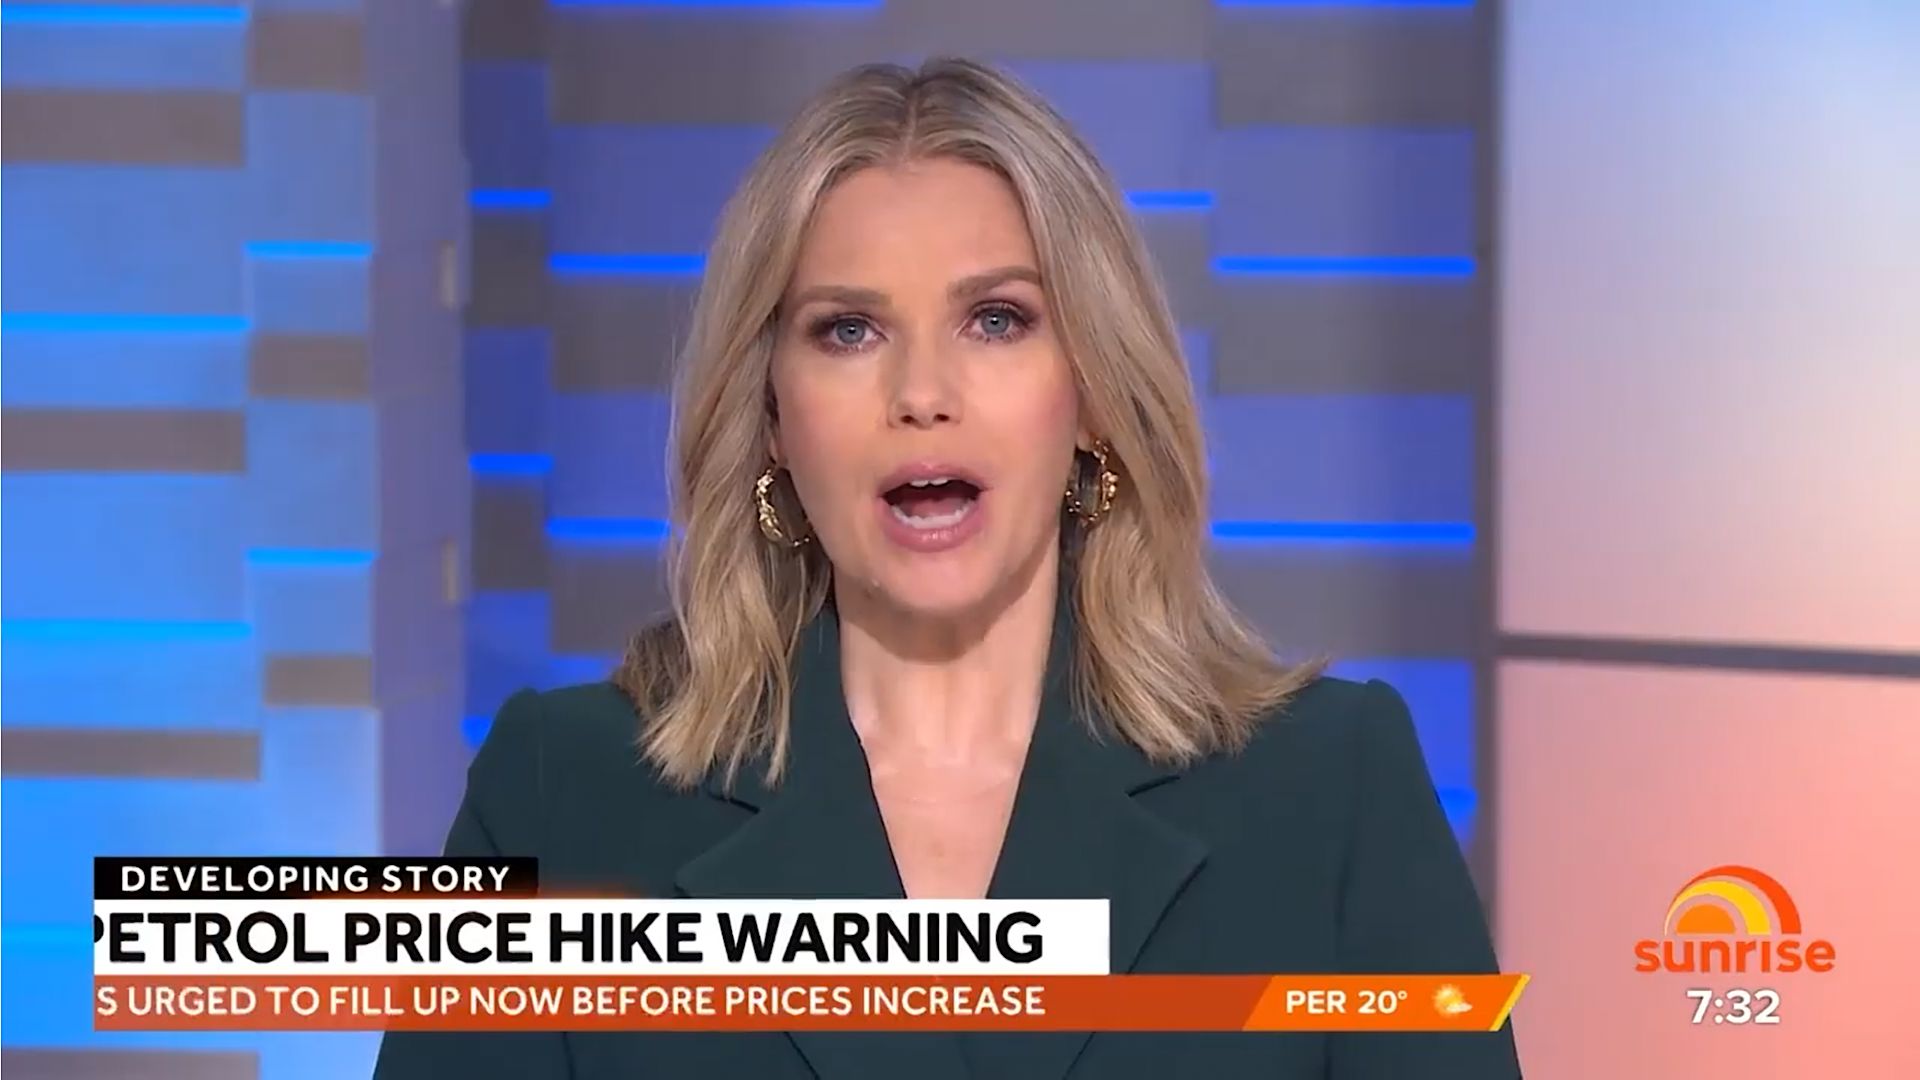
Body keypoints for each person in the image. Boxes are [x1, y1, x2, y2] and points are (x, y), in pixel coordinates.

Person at [375, 57, 1520, 1080]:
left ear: (1093, 396)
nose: (922, 393)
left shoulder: (1331, 792)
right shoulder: (563, 798)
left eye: (997, 320)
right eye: (848, 331)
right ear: (772, 418)